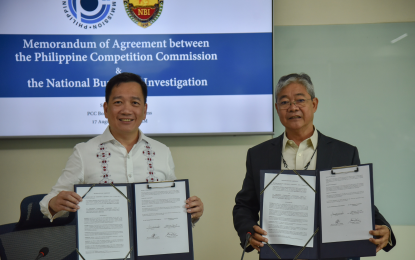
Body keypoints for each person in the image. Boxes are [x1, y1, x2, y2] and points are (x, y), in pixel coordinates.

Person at [232, 73, 395, 259]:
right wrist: (249, 232)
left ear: (314, 104)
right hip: (279, 254)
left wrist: (386, 229)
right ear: (277, 109)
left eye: (300, 100)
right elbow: (244, 205)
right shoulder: (258, 154)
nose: (293, 107)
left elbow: (358, 203)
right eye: (284, 102)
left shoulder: (344, 153)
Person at [40, 72, 204, 223]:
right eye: (118, 102)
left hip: (154, 250)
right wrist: (54, 203)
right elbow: (50, 200)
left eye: (135, 102)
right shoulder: (84, 152)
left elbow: (173, 205)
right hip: (103, 250)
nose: (126, 110)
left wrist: (191, 211)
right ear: (106, 109)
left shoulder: (162, 151)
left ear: (144, 110)